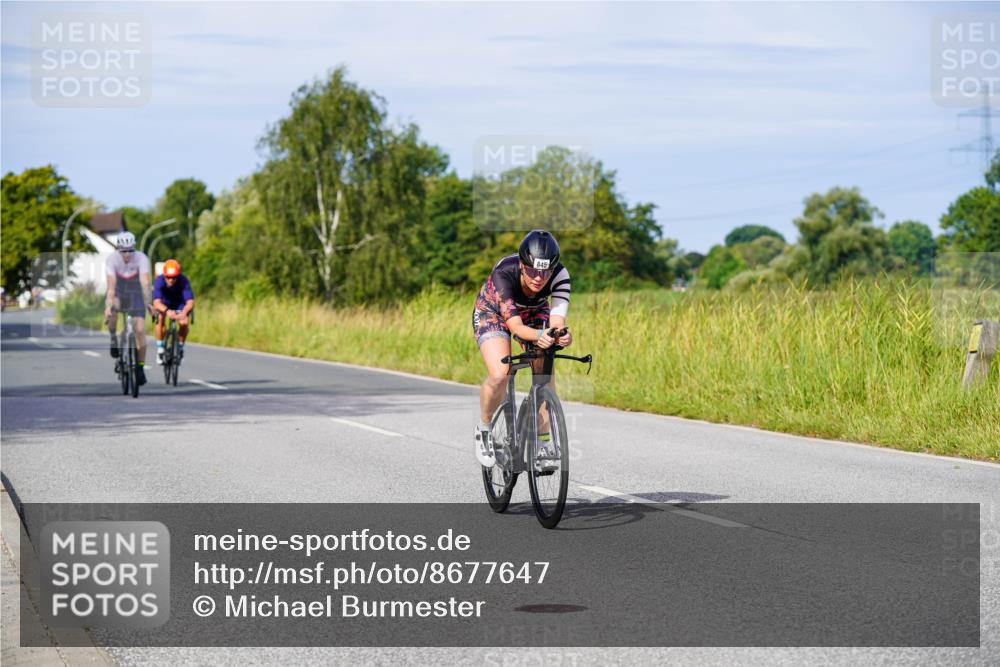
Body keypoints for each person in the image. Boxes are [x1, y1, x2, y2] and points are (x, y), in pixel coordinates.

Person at [471, 229, 572, 467]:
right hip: (493, 313)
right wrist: (539, 335)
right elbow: (515, 326)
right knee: (499, 374)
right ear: (522, 263)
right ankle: (484, 430)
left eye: (545, 271)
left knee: (545, 378)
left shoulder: (560, 275)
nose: (539, 278)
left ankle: (544, 442)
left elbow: (557, 321)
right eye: (533, 270)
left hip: (534, 312)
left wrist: (561, 335)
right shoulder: (504, 273)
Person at [104, 231, 152, 385]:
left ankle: (140, 367)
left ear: (134, 248)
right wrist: (109, 306)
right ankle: (113, 339)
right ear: (118, 249)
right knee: (112, 312)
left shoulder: (142, 258)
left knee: (140, 330)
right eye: (123, 251)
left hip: (135, 292)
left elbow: (145, 283)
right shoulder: (112, 259)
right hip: (118, 291)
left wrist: (148, 302)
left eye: (130, 250)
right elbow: (111, 286)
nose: (127, 254)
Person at [151, 259, 195, 365]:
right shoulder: (159, 281)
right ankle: (160, 348)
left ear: (178, 275)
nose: (171, 280)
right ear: (164, 275)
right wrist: (167, 311)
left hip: (179, 304)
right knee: (160, 318)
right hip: (164, 305)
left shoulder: (183, 281)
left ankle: (180, 347)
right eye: (168, 277)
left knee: (184, 322)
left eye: (174, 277)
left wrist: (184, 312)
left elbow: (190, 302)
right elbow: (156, 302)